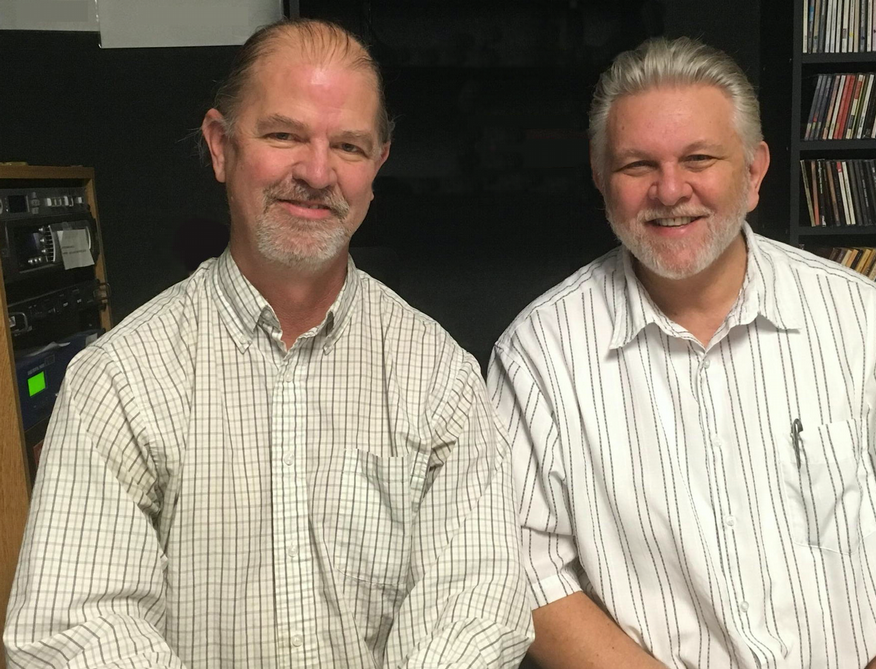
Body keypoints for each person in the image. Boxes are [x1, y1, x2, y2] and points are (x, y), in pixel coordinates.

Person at [5, 18, 532, 668]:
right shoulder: (117, 381)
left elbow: (476, 604)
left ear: (377, 167)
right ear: (221, 145)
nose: (317, 171)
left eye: (348, 146)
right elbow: (74, 627)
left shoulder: (441, 377)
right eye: (284, 135)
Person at [488, 36, 876, 669]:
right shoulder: (538, 355)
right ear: (600, 176)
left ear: (752, 171)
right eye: (638, 165)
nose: (670, 191)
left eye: (699, 158)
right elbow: (528, 572)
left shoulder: (870, 324)